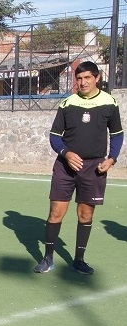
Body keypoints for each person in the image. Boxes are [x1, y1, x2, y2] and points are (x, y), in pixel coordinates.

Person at [34, 61, 123, 275]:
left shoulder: (110, 103)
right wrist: (66, 153)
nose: (82, 82)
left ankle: (79, 260)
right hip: (65, 166)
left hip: (94, 167)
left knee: (85, 214)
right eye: (79, 78)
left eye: (87, 78)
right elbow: (55, 136)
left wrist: (112, 159)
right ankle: (48, 258)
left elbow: (117, 135)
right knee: (56, 212)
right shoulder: (68, 103)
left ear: (97, 78)